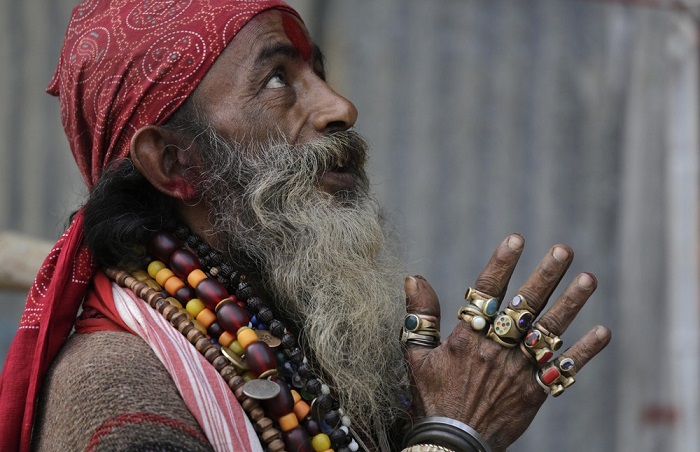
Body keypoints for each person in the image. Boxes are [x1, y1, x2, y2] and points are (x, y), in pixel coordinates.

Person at [0, 1, 611, 451]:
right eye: (277, 82)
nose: (339, 107)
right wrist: (454, 434)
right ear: (173, 162)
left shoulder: (301, 352)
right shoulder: (116, 390)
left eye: (316, 72)